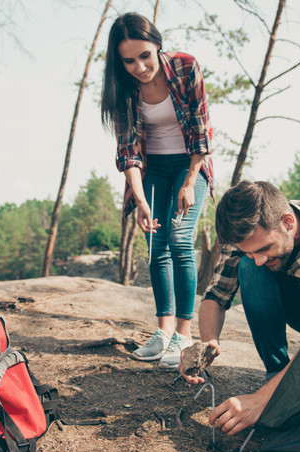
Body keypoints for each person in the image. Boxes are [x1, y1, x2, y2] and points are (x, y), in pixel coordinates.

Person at [180, 180, 300, 435]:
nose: (260, 258)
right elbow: (216, 296)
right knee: (249, 268)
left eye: (265, 249)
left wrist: (261, 400)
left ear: (287, 222)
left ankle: (279, 389)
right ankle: (276, 372)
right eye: (249, 251)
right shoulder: (245, 235)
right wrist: (207, 344)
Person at [101, 12, 214, 369]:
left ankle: (184, 334)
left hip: (188, 164)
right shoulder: (123, 89)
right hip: (150, 170)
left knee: (181, 240)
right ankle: (163, 332)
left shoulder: (185, 68)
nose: (140, 67)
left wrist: (190, 180)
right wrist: (138, 200)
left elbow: (200, 130)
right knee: (156, 245)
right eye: (129, 60)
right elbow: (129, 152)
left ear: (157, 46)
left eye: (145, 56)